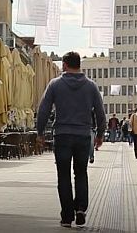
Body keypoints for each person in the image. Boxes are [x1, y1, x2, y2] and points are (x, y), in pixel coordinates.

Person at [36, 51, 106, 228]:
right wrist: (100, 134)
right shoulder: (91, 86)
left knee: (64, 175)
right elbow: (100, 112)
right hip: (83, 136)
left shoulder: (55, 84)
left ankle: (67, 216)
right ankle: (81, 208)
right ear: (79, 65)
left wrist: (40, 132)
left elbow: (44, 109)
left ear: (65, 65)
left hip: (62, 135)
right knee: (81, 173)